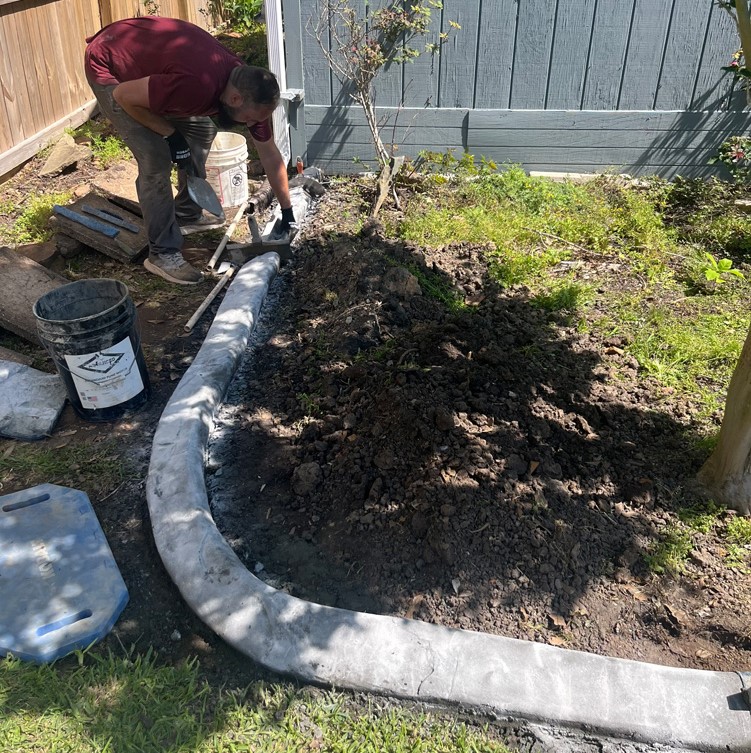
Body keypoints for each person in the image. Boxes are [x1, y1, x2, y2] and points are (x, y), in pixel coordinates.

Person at [84, 16, 294, 285]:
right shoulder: (195, 86)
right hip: (112, 66)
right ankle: (162, 253)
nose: (254, 124)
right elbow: (124, 96)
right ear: (235, 99)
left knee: (201, 131)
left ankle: (185, 212)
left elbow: (269, 153)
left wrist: (287, 210)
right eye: (251, 119)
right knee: (156, 160)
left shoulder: (250, 88)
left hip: (155, 73)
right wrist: (170, 135)